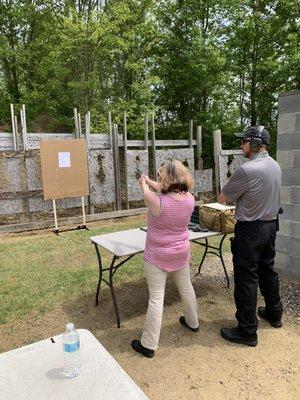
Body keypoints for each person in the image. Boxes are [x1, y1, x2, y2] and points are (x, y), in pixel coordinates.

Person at [219, 126, 283, 347]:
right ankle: (274, 313)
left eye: (244, 142)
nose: (241, 146)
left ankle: (247, 331)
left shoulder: (247, 169)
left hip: (250, 230)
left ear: (255, 144)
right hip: (270, 227)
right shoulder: (275, 165)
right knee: (267, 270)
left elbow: (224, 197)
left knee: (246, 278)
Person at [131, 159, 199, 358]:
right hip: (181, 253)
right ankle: (193, 322)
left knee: (156, 298)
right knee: (186, 288)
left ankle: (149, 344)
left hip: (157, 255)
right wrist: (150, 181)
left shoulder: (156, 200)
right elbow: (164, 188)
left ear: (166, 178)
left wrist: (144, 183)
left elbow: (149, 192)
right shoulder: (190, 199)